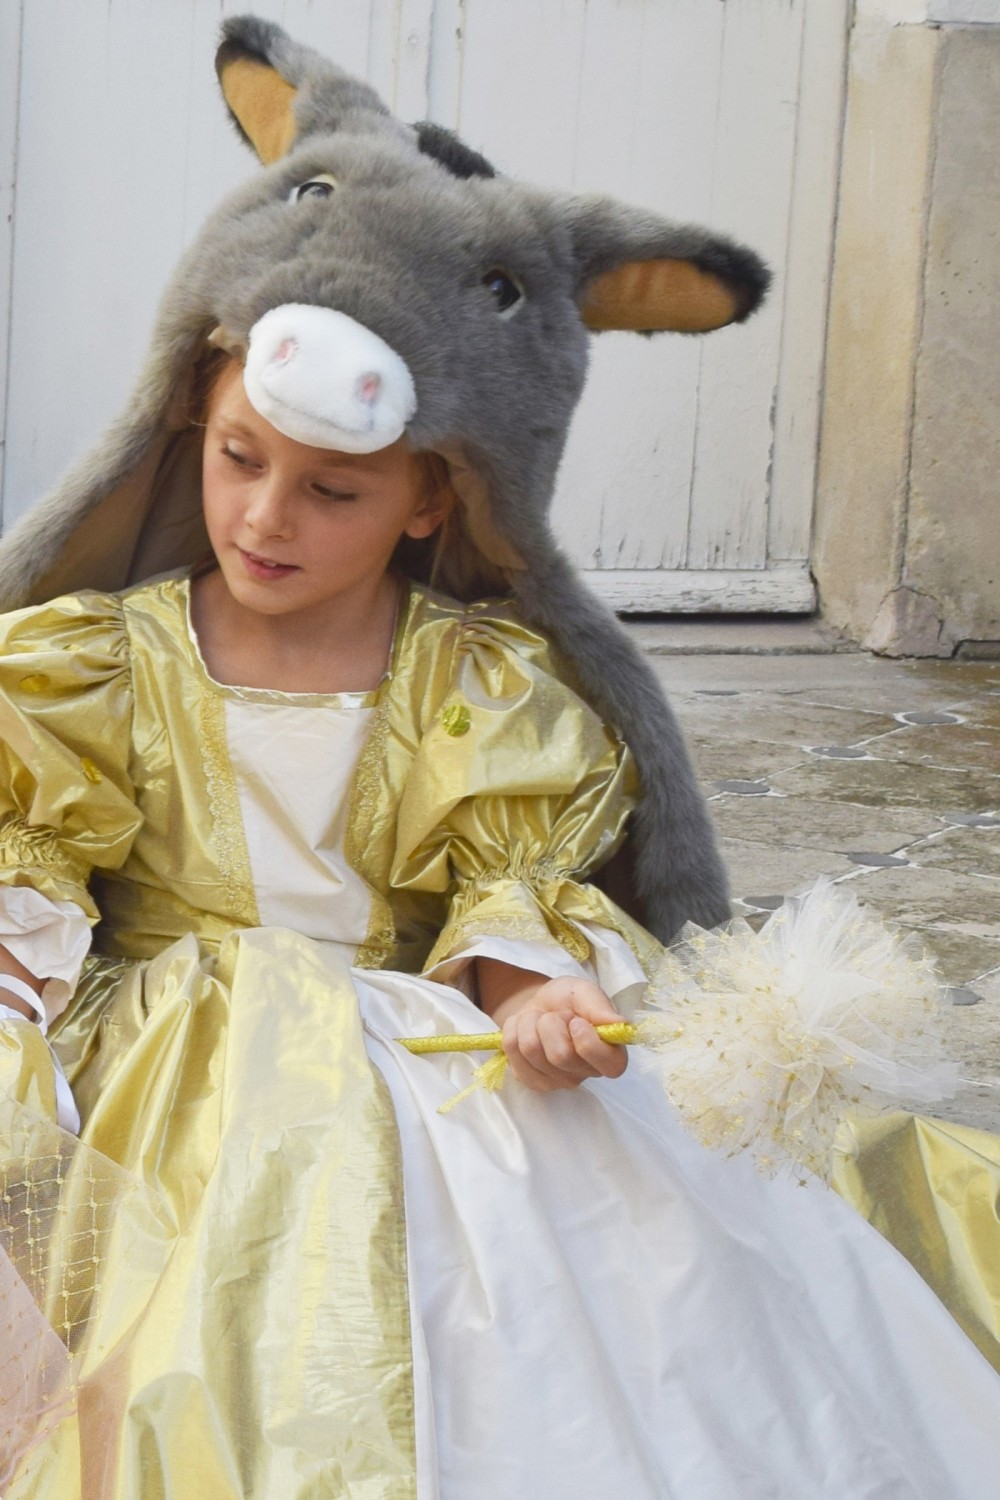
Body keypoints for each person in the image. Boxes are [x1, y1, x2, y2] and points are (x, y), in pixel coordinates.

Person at [1, 351, 999, 1500]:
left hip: (405, 1039)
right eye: (238, 461)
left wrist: (535, 999)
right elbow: (31, 881)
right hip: (162, 1059)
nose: (266, 517)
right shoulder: (94, 665)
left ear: (431, 500)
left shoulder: (471, 679)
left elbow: (504, 887)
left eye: (334, 491)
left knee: (644, 1258)